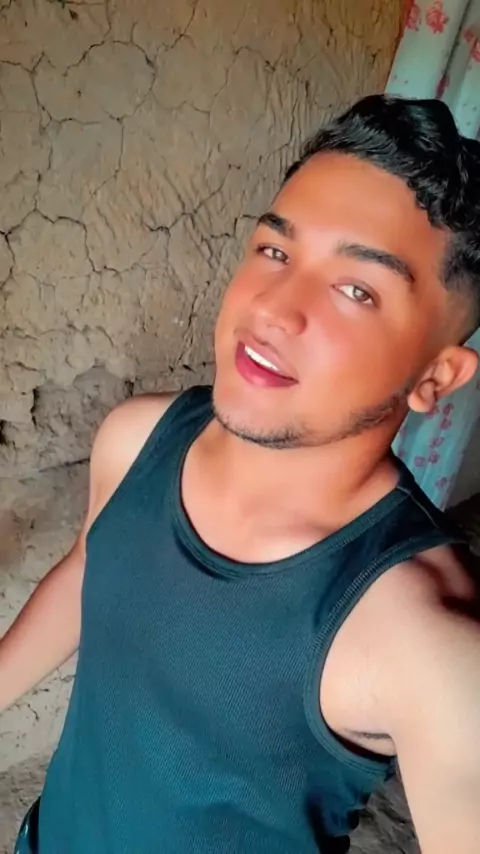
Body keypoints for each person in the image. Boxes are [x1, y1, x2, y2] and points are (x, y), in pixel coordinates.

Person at [2, 94, 480, 854]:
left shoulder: (421, 636)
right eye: (275, 252)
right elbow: (94, 565)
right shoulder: (138, 438)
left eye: (356, 290)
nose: (274, 310)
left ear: (436, 376)